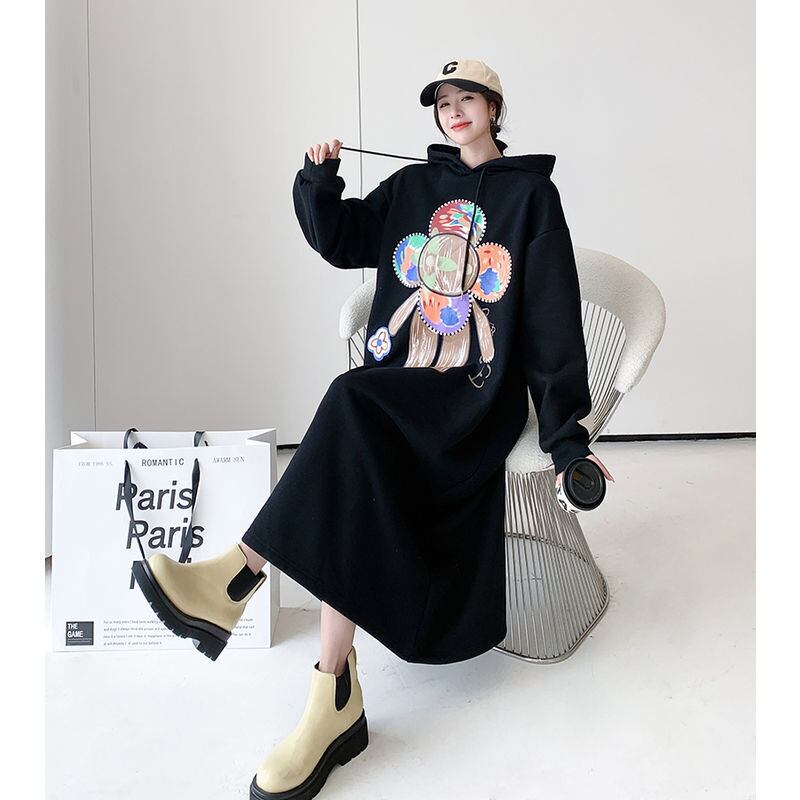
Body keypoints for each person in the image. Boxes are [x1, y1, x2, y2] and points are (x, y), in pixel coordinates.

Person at [131, 58, 614, 800]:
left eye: (468, 99)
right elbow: (344, 239)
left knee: (349, 402)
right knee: (356, 437)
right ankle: (329, 687)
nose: (454, 111)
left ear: (494, 108)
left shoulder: (531, 198)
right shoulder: (413, 186)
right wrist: (317, 180)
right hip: (401, 383)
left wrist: (567, 439)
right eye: (442, 102)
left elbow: (550, 318)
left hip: (475, 399)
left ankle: (238, 577)